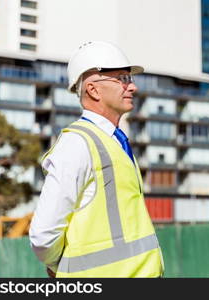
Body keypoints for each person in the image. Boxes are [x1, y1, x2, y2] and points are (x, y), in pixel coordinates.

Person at [29, 41, 164, 278]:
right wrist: (58, 265)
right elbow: (43, 235)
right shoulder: (77, 144)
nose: (132, 87)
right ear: (93, 89)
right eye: (122, 78)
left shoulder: (114, 142)